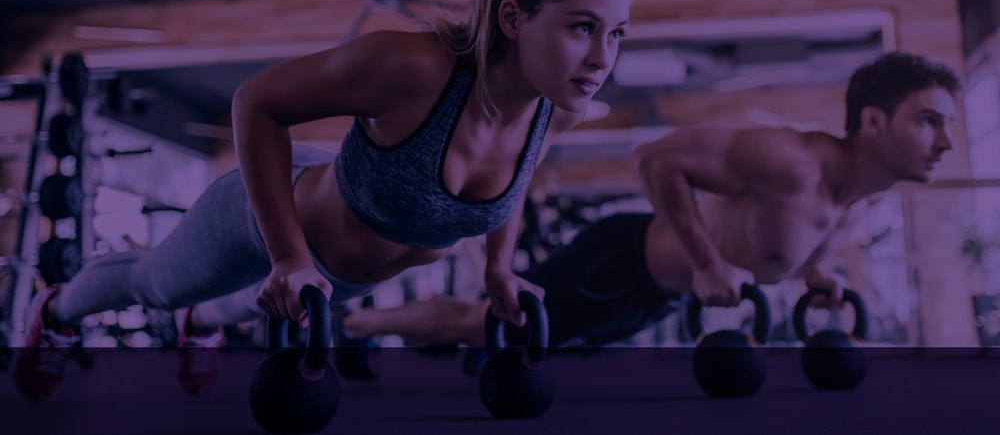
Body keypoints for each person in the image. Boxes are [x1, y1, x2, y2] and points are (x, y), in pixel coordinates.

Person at [12, 0, 632, 399]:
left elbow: (513, 185)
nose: (603, 57)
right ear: (513, 17)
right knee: (155, 287)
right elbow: (256, 102)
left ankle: (205, 323)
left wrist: (498, 269)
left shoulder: (557, 108)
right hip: (271, 214)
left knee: (247, 302)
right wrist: (287, 255)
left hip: (339, 277)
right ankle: (58, 310)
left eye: (616, 33)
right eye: (583, 27)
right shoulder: (412, 68)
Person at [334, 51, 961, 350]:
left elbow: (788, 244)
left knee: (513, 341)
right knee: (482, 324)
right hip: (620, 263)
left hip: (652, 296)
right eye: (929, 121)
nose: (947, 141)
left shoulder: (854, 198)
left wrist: (818, 275)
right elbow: (654, 159)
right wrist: (707, 261)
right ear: (874, 123)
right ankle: (358, 324)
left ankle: (375, 329)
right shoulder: (792, 160)